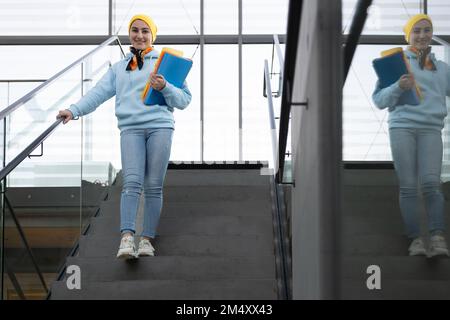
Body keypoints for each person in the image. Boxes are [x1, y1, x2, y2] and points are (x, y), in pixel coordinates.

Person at [57, 14, 192, 259]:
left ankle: (147, 239)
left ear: (152, 36)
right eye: (135, 30)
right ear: (129, 35)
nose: (139, 35)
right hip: (130, 129)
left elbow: (184, 100)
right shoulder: (119, 69)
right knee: (131, 182)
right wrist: (73, 111)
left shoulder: (165, 64)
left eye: (145, 31)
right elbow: (97, 94)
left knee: (153, 185)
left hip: (160, 127)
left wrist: (165, 87)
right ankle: (127, 237)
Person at [372, 14, 450, 257]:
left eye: (427, 30)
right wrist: (398, 87)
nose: (423, 35)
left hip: (431, 128)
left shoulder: (442, 68)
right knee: (408, 186)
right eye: (417, 31)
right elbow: (379, 100)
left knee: (431, 184)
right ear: (409, 35)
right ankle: (416, 239)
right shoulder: (396, 64)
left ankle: (437, 238)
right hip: (402, 127)